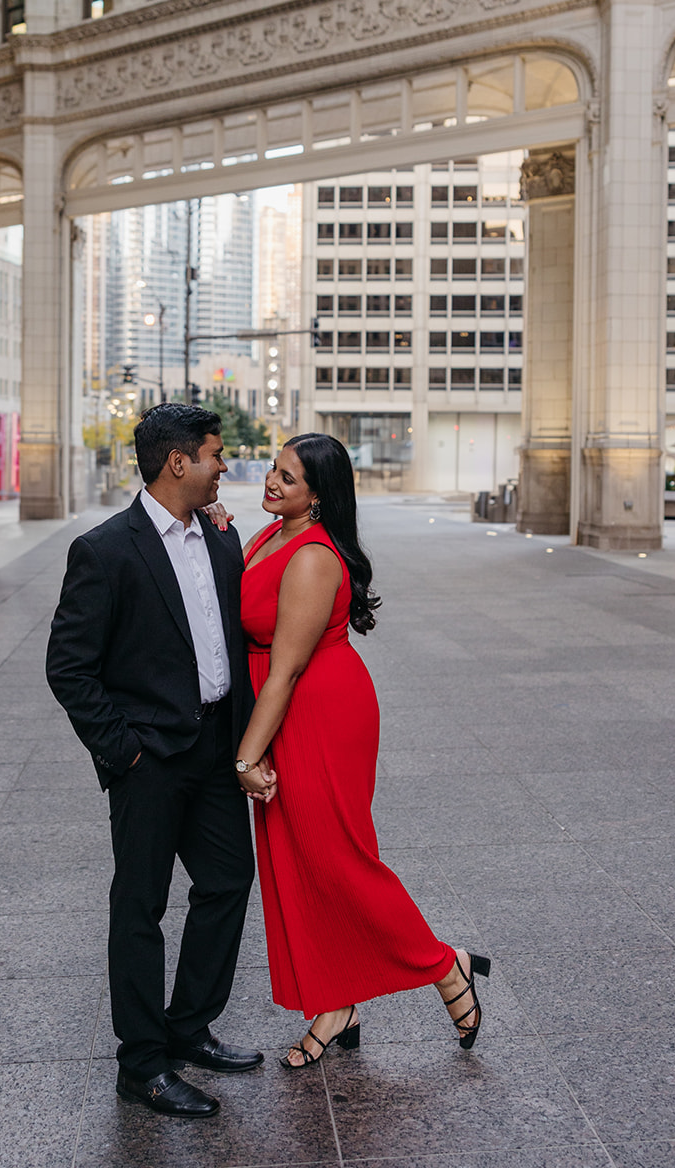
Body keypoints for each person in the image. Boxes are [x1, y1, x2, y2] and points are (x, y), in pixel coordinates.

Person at [234, 432, 491, 1067]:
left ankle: (444, 965)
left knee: (339, 859)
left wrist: (245, 757)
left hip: (317, 708)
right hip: (284, 704)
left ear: (317, 496)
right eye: (273, 469)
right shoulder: (271, 535)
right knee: (297, 858)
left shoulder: (314, 558)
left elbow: (289, 667)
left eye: (288, 478)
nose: (271, 482)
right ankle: (336, 1001)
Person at [46, 403, 265, 1119]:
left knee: (229, 879)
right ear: (177, 462)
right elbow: (69, 667)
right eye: (213, 454)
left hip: (213, 750)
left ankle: (188, 1026)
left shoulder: (221, 538)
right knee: (139, 906)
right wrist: (125, 752)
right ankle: (140, 1063)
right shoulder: (105, 550)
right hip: (149, 759)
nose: (222, 466)